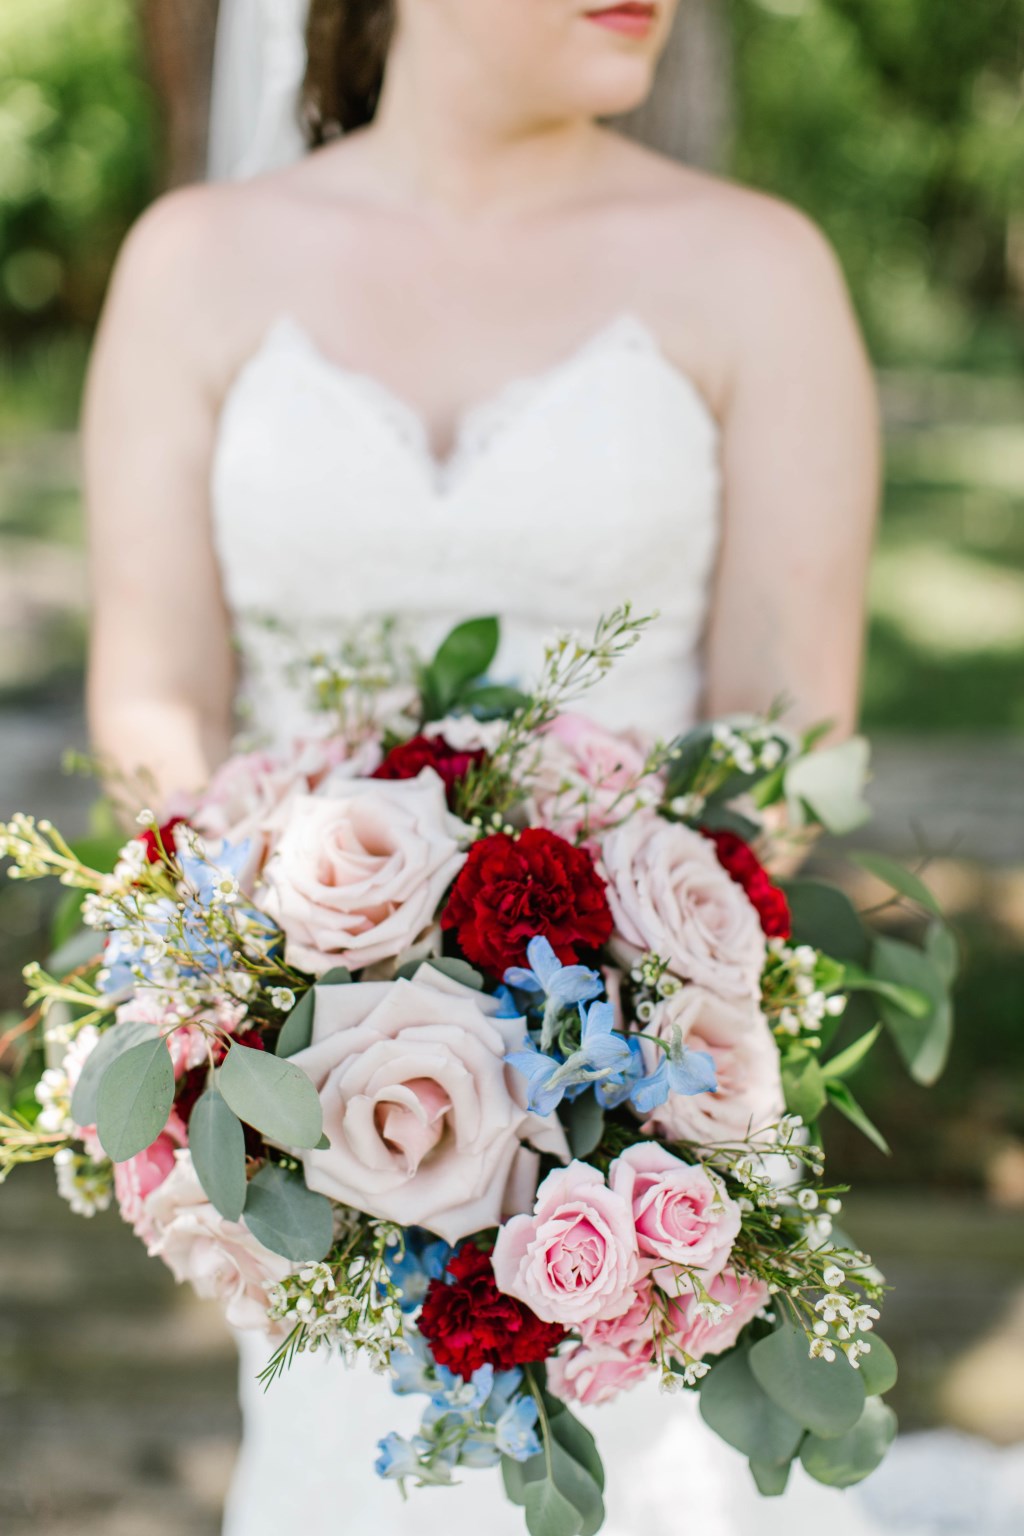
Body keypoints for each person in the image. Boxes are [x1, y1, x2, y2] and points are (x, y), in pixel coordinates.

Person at [83, 2, 881, 1531]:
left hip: (643, 1103)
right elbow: (155, 706)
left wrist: (597, 1027)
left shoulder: (759, 269)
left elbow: (789, 750)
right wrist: (291, 1007)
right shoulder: (192, 265)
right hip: (321, 1119)